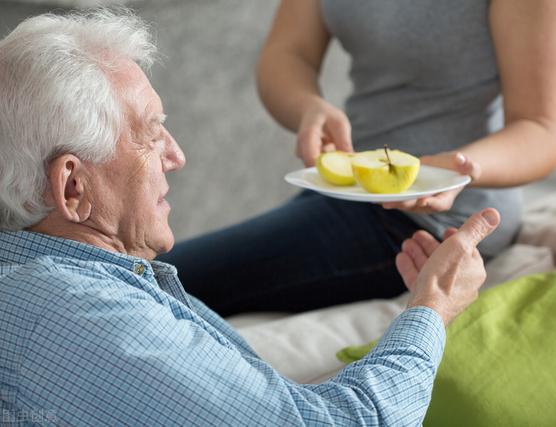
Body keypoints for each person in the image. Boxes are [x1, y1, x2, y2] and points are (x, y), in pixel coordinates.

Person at [0, 10, 502, 426]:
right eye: (151, 134)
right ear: (73, 186)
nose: (176, 156)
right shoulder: (95, 321)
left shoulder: (66, 280)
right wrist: (433, 308)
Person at [159, 0, 556, 317]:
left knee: (160, 280)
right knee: (143, 275)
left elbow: (540, 129)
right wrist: (307, 107)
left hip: (439, 222)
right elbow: (288, 53)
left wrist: (456, 171)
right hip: (348, 194)